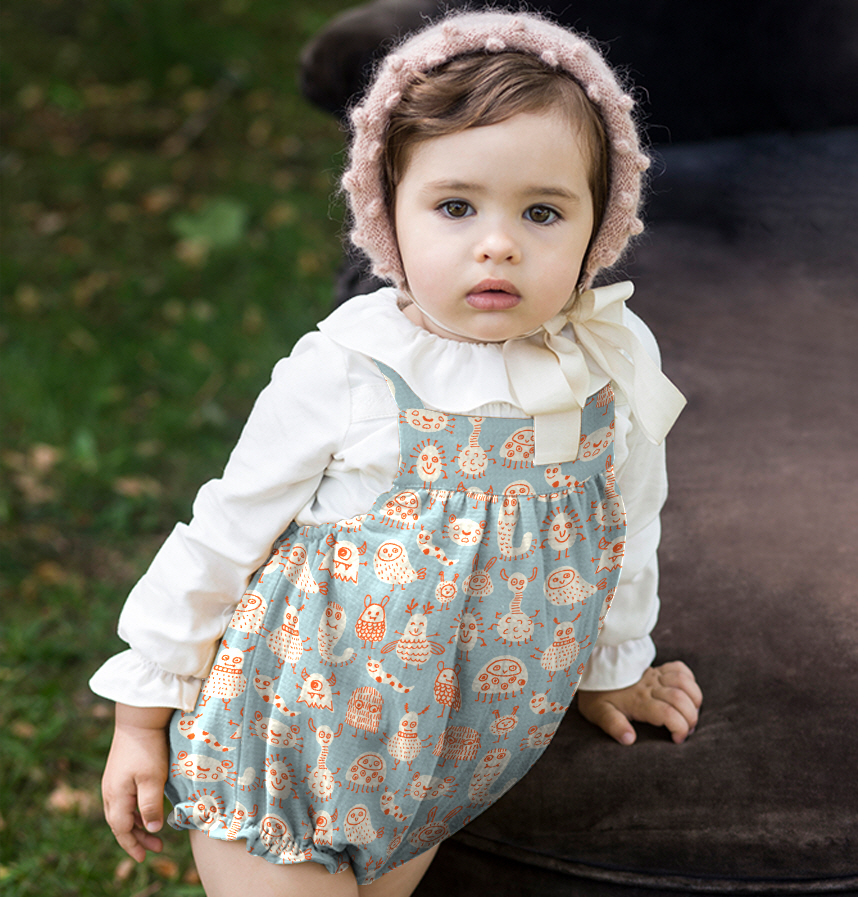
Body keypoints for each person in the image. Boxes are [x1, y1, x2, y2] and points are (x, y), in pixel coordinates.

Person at [91, 11, 702, 896]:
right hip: (294, 738)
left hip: (446, 761)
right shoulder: (354, 364)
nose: (498, 242)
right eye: (455, 207)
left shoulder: (609, 361)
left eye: (542, 211)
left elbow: (626, 521)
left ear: (599, 226)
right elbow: (224, 529)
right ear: (390, 213)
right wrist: (141, 714)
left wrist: (613, 668)